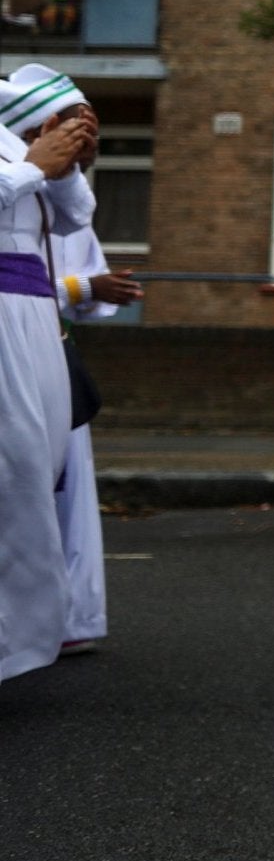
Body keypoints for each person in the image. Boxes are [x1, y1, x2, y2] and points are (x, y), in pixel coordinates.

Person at [0, 68, 95, 684]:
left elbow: (76, 218)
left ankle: (21, 633)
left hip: (33, 323)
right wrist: (34, 163)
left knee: (39, 467)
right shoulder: (19, 161)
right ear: (44, 121)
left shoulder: (32, 164)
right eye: (77, 120)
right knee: (13, 469)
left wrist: (66, 166)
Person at [50, 190, 143, 657]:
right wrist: (85, 288)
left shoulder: (70, 204)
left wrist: (94, 289)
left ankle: (69, 616)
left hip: (53, 352)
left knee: (68, 492)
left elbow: (86, 291)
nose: (85, 141)